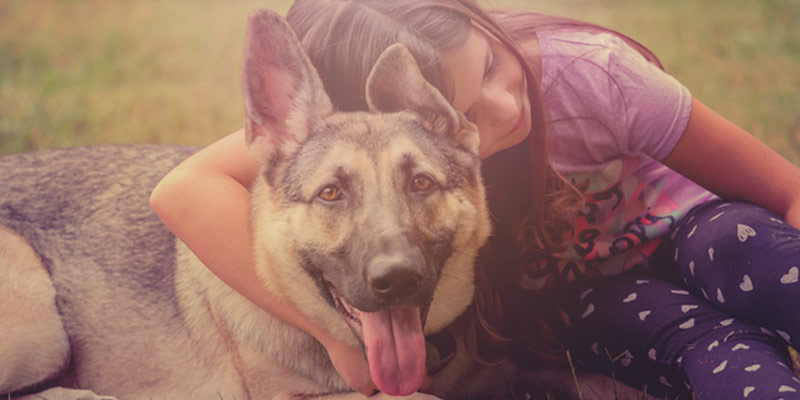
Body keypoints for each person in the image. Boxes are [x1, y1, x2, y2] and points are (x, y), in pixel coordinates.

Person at [149, 0, 800, 398]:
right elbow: (184, 189)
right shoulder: (350, 138)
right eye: (463, 108)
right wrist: (338, 334)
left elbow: (785, 189)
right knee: (702, 340)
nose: (505, 106)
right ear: (393, 112)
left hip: (701, 231)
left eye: (490, 63)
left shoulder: (593, 74)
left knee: (749, 250)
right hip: (596, 293)